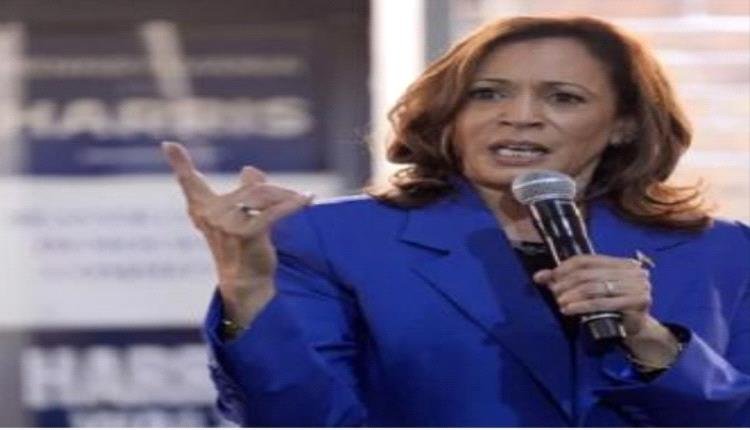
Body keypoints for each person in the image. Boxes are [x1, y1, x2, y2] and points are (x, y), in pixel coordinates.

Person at [162, 15, 750, 426]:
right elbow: (298, 420)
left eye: (563, 98)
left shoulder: (721, 254)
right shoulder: (332, 241)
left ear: (623, 124)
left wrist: (651, 343)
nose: (519, 116)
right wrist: (247, 287)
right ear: (450, 114)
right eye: (488, 94)